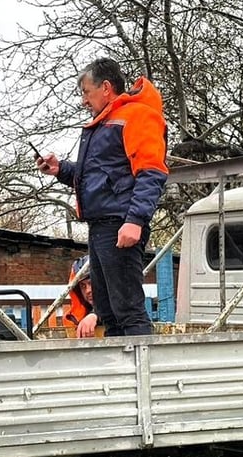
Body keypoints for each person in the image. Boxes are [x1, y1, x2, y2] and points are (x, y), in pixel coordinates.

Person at [37, 57, 168, 336]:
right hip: (102, 227)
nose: (84, 100)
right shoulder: (104, 123)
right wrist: (61, 169)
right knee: (107, 310)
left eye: (86, 92)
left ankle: (145, 374)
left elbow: (152, 171)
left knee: (128, 309)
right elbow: (97, 178)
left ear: (106, 87)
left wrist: (134, 220)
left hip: (119, 224)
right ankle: (123, 374)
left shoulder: (136, 116)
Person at [64, 255, 99, 338]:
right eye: (83, 286)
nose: (88, 290)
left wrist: (96, 315)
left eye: (91, 283)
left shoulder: (123, 310)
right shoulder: (72, 319)